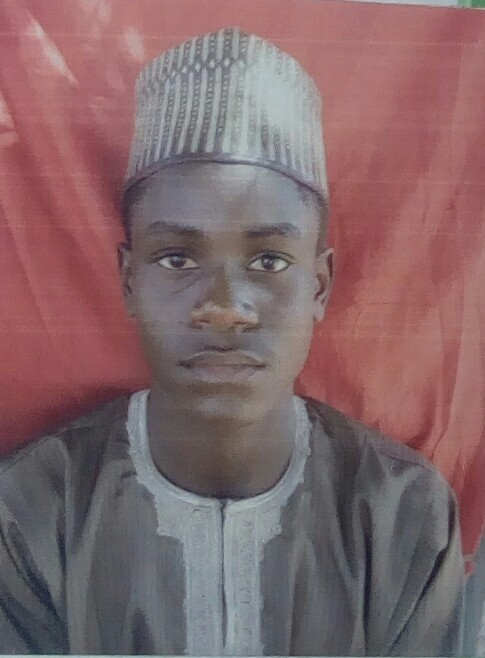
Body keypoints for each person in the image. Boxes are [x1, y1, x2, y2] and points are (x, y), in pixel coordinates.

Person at [0, 26, 465, 656]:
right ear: (129, 281)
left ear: (320, 285)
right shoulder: (30, 513)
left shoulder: (404, 518)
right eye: (177, 260)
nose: (223, 307)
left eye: (269, 262)